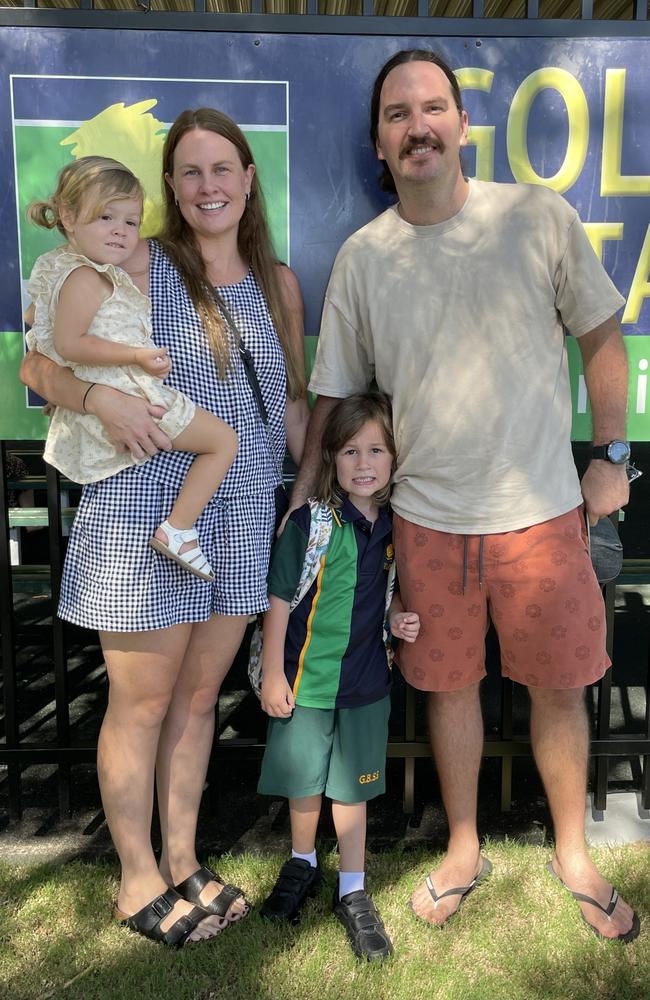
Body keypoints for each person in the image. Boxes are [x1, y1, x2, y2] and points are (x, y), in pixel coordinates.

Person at [291, 50, 639, 943]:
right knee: (449, 690)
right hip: (427, 522)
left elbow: (603, 336)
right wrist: (304, 497)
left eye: (434, 107)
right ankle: (463, 847)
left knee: (560, 690)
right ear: (379, 139)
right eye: (399, 114)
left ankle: (572, 852)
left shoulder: (536, 217)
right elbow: (333, 396)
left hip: (541, 512)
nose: (419, 126)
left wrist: (613, 456)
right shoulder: (365, 259)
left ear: (463, 123)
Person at [20, 107, 309, 947]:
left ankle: (181, 859)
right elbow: (39, 359)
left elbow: (288, 404)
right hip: (147, 505)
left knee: (195, 701)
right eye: (189, 171)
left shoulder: (279, 283)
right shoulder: (134, 257)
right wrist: (98, 396)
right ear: (171, 189)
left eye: (223, 168)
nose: (208, 185)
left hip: (245, 508)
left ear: (249, 180)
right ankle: (135, 877)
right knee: (141, 705)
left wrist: (309, 490)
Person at [257, 392, 420, 960]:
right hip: (306, 680)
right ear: (330, 458)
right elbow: (277, 602)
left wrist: (399, 614)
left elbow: (389, 587)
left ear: (395, 457)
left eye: (376, 449)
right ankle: (302, 862)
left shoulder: (397, 526)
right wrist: (273, 672)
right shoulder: (310, 523)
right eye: (350, 451)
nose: (364, 463)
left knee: (352, 790)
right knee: (304, 782)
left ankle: (353, 886)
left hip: (366, 682)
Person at [26, 155, 238, 581]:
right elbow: (68, 344)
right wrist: (136, 356)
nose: (121, 231)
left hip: (111, 393)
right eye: (106, 217)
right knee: (223, 442)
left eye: (131, 222)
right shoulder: (87, 277)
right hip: (133, 396)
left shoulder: (60, 267)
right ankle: (178, 529)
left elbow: (38, 321)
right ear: (68, 217)